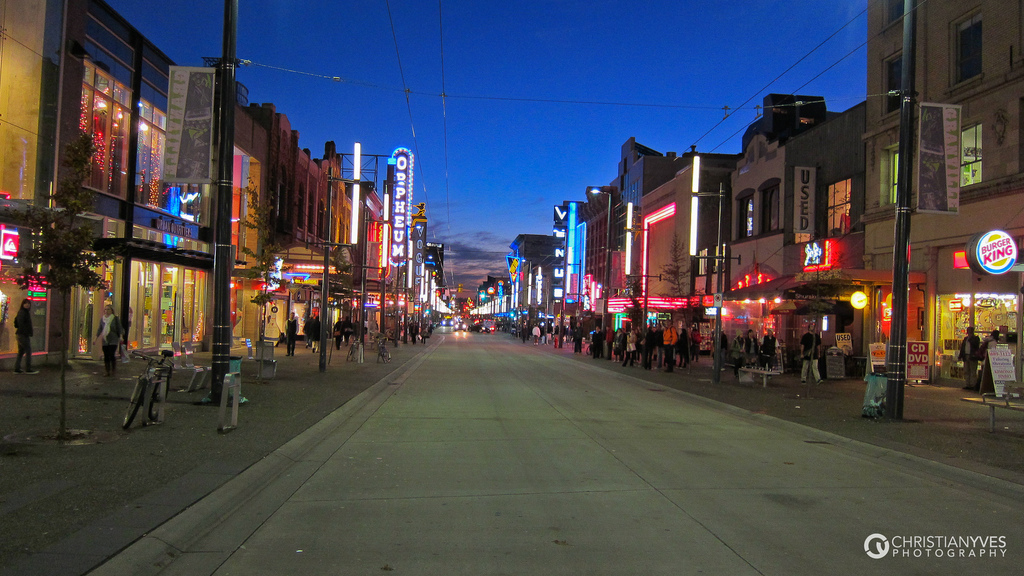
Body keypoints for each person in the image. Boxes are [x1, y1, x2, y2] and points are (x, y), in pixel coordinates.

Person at [95, 304, 124, 377]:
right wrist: (95, 338)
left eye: (108, 309)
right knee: (106, 355)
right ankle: (107, 371)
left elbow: (119, 328)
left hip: (113, 339)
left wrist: (121, 336)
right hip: (105, 339)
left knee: (111, 354)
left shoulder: (115, 318)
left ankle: (113, 370)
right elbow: (100, 329)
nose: (106, 311)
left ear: (112, 311)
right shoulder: (102, 319)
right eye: (105, 309)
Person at [14, 299, 39, 374]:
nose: (27, 305)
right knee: (28, 351)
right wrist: (26, 332)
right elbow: (20, 323)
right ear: (23, 304)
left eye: (28, 303)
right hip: (23, 335)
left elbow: (16, 322)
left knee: (21, 351)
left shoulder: (24, 312)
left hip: (21, 334)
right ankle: (28, 368)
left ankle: (17, 368)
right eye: (25, 303)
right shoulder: (23, 312)